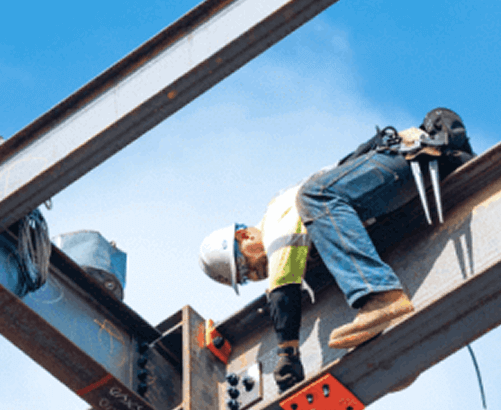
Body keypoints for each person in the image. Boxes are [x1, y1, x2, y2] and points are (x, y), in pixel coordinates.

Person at [199, 108, 474, 392]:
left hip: (405, 159)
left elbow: (283, 286)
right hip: (399, 189)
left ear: (244, 235)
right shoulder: (319, 245)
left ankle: (381, 296)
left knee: (314, 195)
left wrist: (287, 353)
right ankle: (390, 333)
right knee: (330, 281)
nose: (254, 274)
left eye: (244, 265)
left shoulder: (277, 218)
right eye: (244, 278)